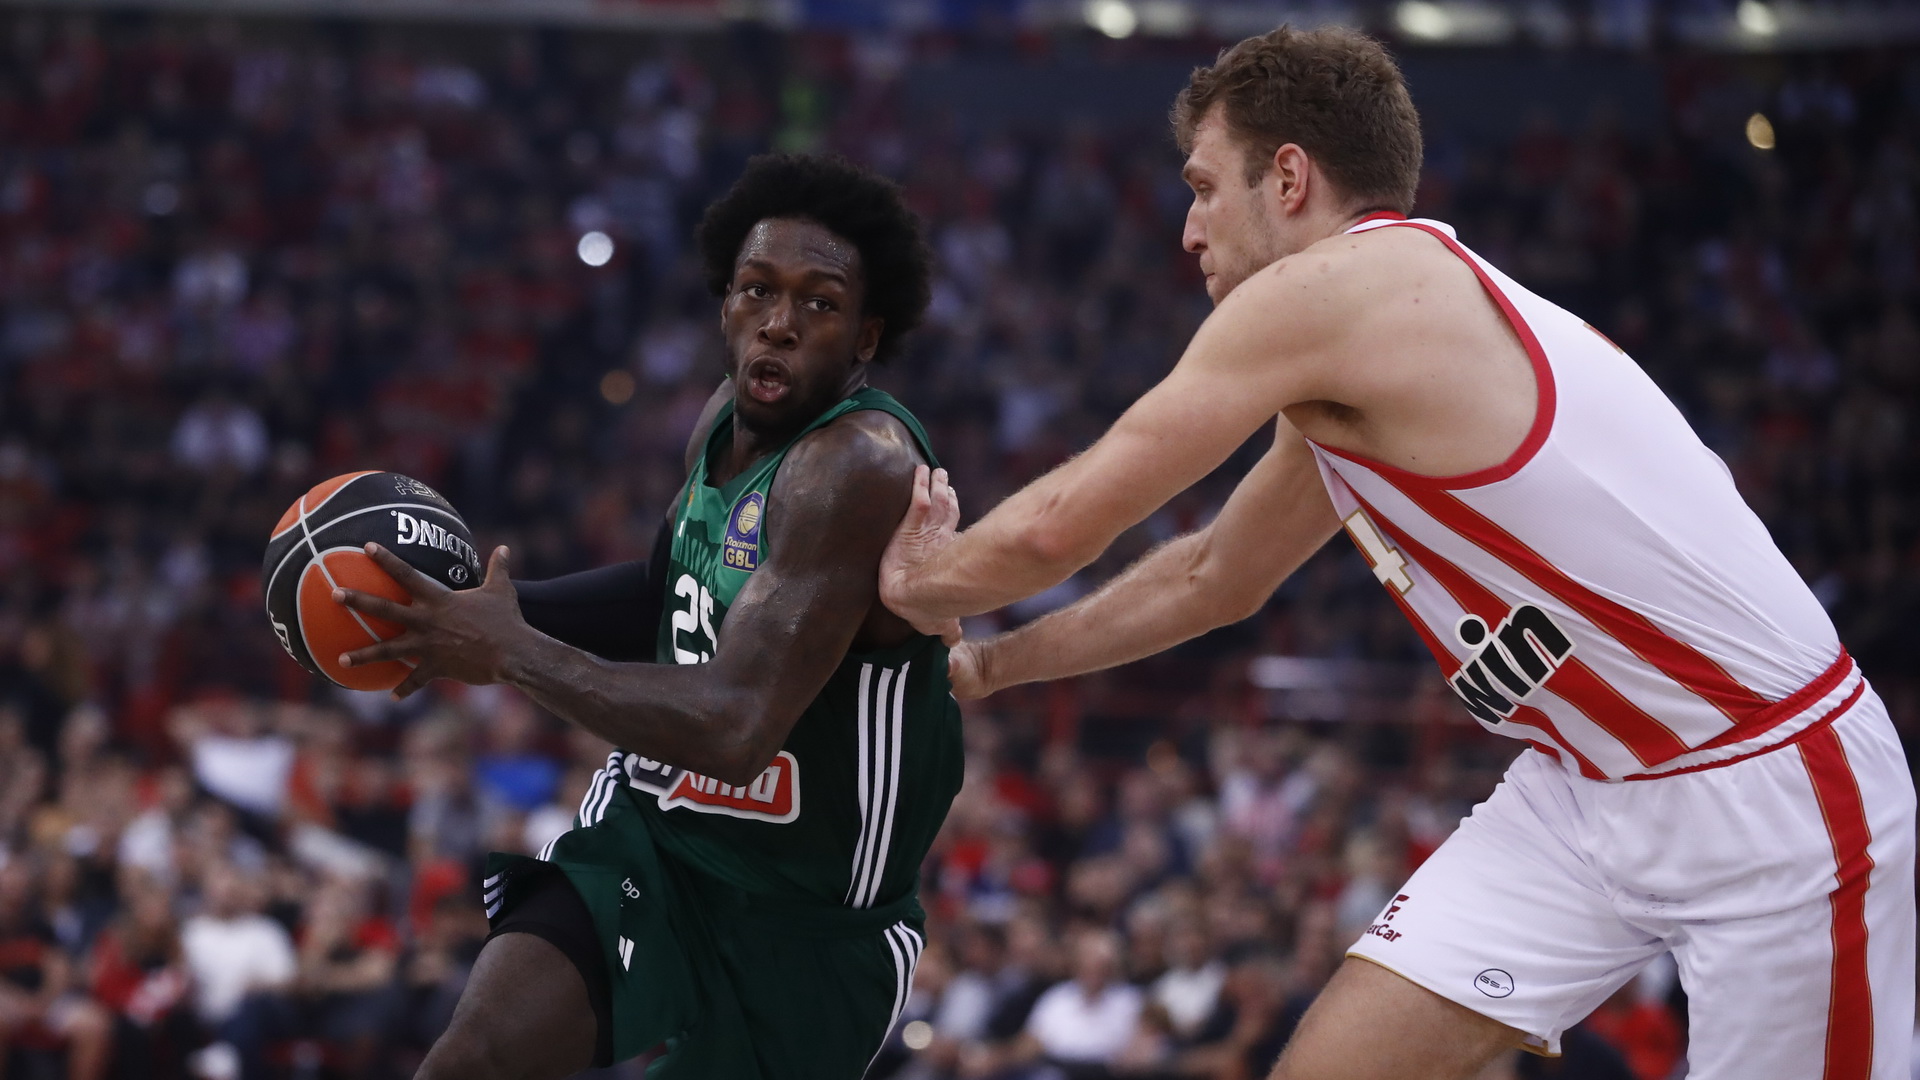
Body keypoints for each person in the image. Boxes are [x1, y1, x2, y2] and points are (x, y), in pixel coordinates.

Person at [878, 24, 1915, 1080]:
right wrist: (991, 664)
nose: (1188, 229)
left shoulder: (1336, 293)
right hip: (1585, 783)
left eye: (1203, 188)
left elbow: (1058, 528)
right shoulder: (1368, 340)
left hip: (1769, 783)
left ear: (1289, 178)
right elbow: (1211, 577)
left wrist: (909, 583)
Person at [331, 153, 963, 1080]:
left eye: (819, 304)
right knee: (468, 1061)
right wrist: (470, 617)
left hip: (811, 923)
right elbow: (661, 594)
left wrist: (510, 651)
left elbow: (736, 727)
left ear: (867, 336)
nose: (779, 323)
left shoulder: (858, 466)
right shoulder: (724, 416)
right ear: (725, 302)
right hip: (658, 840)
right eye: (758, 289)